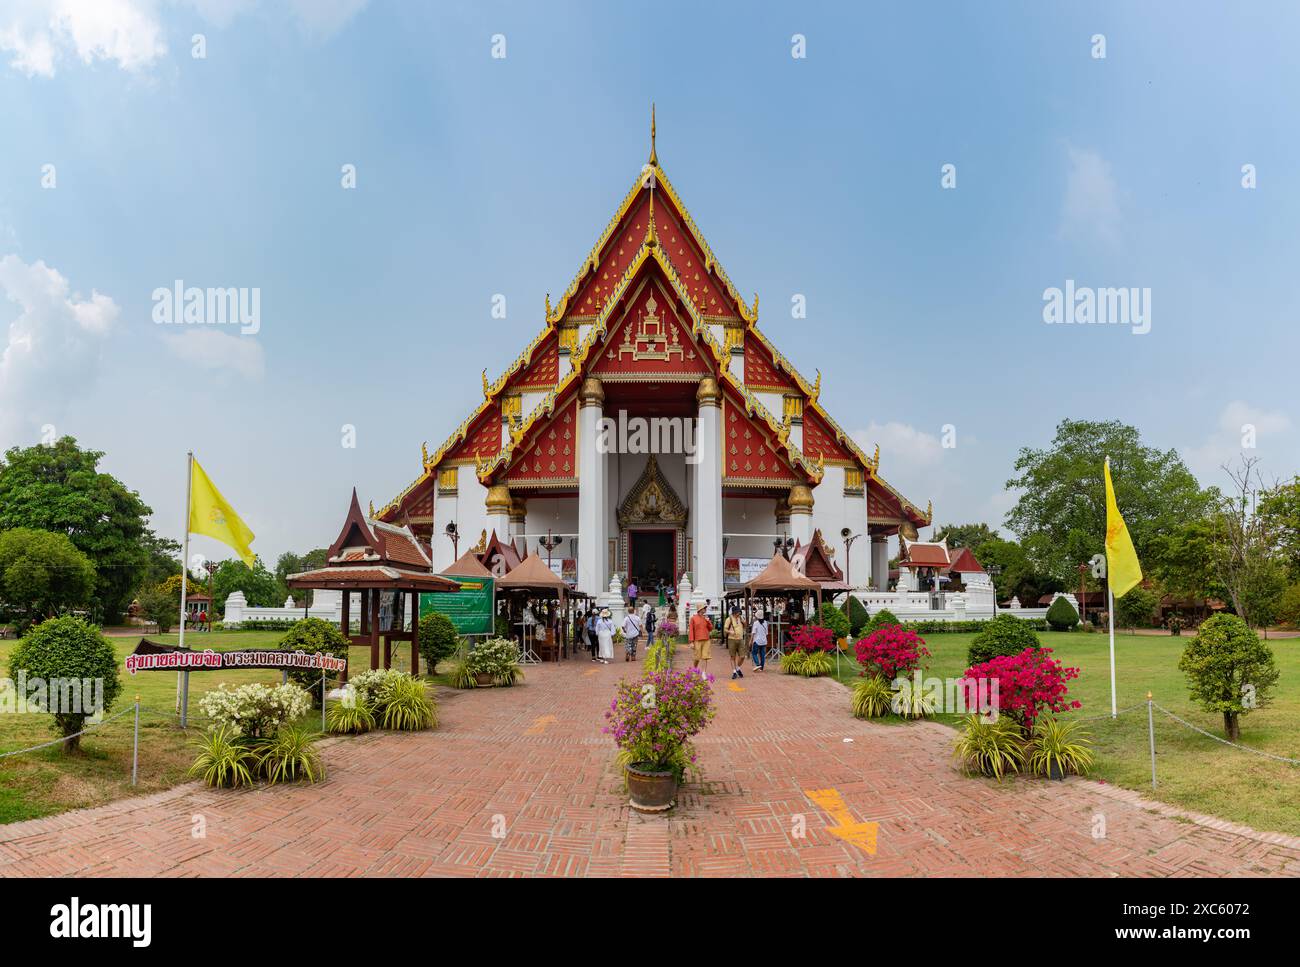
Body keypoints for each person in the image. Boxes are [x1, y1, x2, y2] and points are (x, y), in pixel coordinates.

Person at [688, 602, 713, 677]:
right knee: (697, 657)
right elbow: (691, 630)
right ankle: (695, 669)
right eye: (704, 608)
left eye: (705, 608)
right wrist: (691, 642)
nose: (705, 609)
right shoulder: (693, 618)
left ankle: (703, 673)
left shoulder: (706, 618)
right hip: (697, 640)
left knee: (705, 657)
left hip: (706, 639)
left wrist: (708, 621)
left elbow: (710, 628)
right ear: (700, 609)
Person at [724, 605, 747, 680]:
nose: (739, 613)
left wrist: (744, 622)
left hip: (740, 639)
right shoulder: (729, 619)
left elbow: (745, 626)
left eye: (739, 612)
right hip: (732, 639)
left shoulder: (741, 618)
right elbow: (725, 629)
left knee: (742, 656)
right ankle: (734, 672)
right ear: (734, 612)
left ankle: (738, 668)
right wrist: (730, 631)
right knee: (732, 656)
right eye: (738, 612)